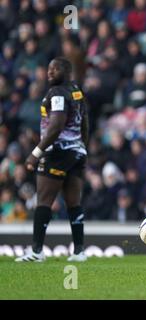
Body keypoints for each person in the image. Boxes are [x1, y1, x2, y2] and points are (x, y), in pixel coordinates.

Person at [15, 57, 89, 262]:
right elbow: (85, 122)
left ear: (66, 71)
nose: (49, 72)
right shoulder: (76, 90)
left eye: (55, 69)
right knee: (74, 202)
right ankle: (79, 251)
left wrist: (35, 153)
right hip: (76, 152)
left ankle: (37, 252)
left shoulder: (57, 93)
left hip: (57, 152)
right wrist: (83, 146)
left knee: (44, 201)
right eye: (48, 69)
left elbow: (56, 125)